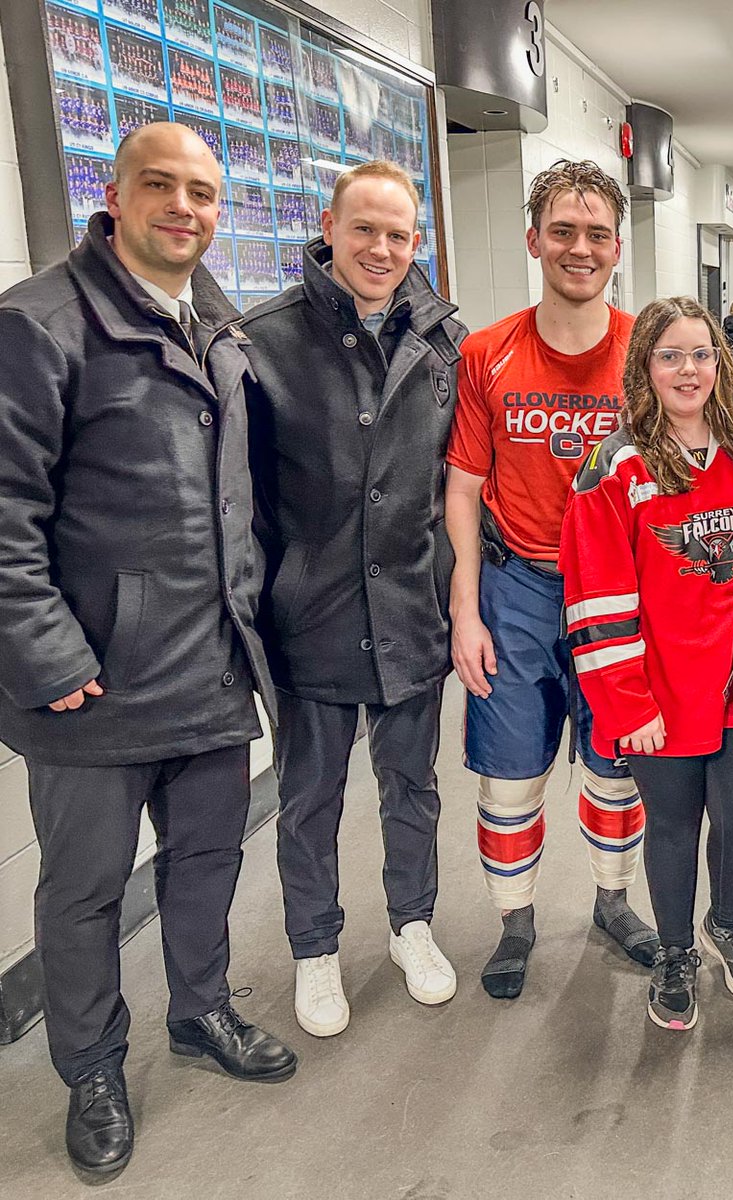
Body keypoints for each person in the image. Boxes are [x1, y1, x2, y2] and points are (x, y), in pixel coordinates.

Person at [0, 123, 295, 1178]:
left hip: (210, 667)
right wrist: (47, 658)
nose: (186, 208)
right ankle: (90, 1068)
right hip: (93, 687)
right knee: (81, 894)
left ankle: (201, 1012)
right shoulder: (37, 326)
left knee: (207, 862)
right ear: (112, 196)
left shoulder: (214, 321)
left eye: (203, 193)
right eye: (160, 186)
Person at [243, 161, 467, 1037]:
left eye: (399, 235)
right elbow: (245, 500)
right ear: (328, 227)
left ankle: (413, 926)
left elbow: (463, 481)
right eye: (364, 229)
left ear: (418, 243)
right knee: (310, 799)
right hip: (313, 618)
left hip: (412, 611)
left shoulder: (445, 344)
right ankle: (315, 950)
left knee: (412, 786)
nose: (381, 248)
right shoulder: (261, 344)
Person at [445, 160, 658, 1000]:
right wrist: (467, 610)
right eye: (563, 232)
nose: (580, 248)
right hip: (518, 587)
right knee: (511, 772)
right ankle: (515, 919)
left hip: (623, 594)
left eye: (597, 234)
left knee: (617, 762)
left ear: (616, 247)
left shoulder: (648, 350)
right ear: (534, 240)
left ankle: (613, 902)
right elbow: (462, 486)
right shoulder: (486, 352)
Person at [560, 297, 733, 1030]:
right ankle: (677, 949)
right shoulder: (614, 466)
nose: (689, 370)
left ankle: (731, 922)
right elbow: (594, 598)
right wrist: (627, 704)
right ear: (644, 367)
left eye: (702, 354)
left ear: (722, 363)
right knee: (675, 827)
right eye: (671, 355)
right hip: (661, 697)